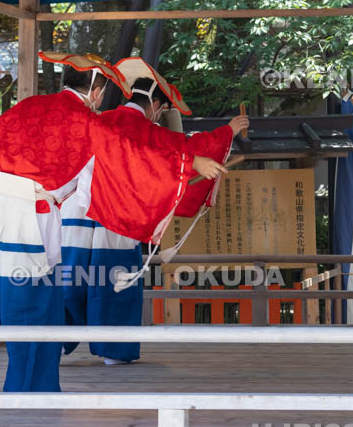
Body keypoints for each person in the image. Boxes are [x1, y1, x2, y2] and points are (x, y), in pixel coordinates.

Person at [0, 53, 230, 392]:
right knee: (34, 310)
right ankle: (29, 391)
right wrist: (191, 162)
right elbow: (134, 153)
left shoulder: (23, 108)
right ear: (97, 91)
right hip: (28, 223)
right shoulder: (88, 123)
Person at [60, 58, 247, 364]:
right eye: (162, 109)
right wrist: (228, 131)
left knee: (70, 277)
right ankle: (114, 352)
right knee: (115, 279)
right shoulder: (147, 131)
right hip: (118, 214)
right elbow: (187, 149)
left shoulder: (99, 120)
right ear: (156, 104)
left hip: (76, 211)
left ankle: (53, 344)